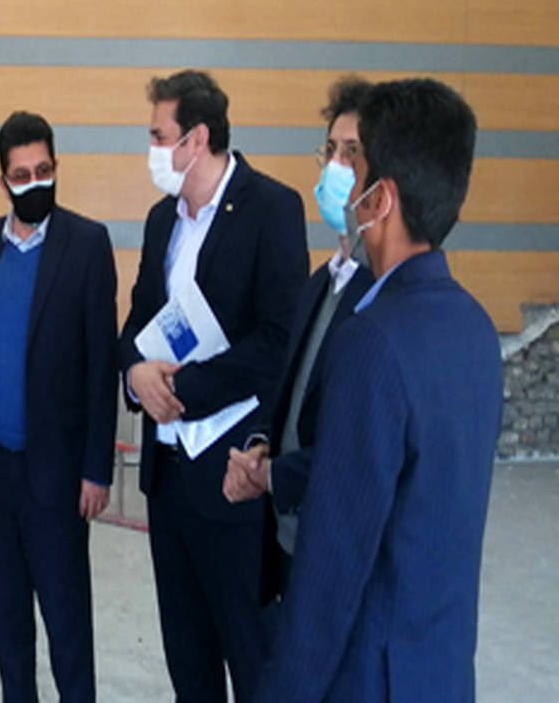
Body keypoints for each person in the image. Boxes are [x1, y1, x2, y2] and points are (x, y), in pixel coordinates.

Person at [253, 78, 502, 703]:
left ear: (380, 198)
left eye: (355, 166)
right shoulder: (473, 326)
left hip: (369, 676)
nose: (341, 182)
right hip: (440, 671)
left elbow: (334, 563)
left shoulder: (371, 340)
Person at [118, 70, 308, 703]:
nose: (151, 149)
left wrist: (185, 390)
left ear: (196, 139)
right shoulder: (160, 220)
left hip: (234, 477)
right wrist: (135, 374)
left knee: (252, 660)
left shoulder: (272, 209)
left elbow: (279, 339)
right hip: (168, 479)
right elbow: (137, 324)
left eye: (158, 135)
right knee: (189, 663)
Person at [0, 111, 118, 702]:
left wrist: (97, 469)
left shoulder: (87, 245)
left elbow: (102, 365)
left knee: (67, 626)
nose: (34, 182)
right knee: (8, 621)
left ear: (56, 167)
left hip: (59, 474)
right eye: (21, 175)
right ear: (3, 182)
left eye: (43, 170)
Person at [220, 77, 376, 604]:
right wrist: (262, 446)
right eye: (330, 150)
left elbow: (360, 446)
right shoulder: (317, 285)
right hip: (289, 540)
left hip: (340, 550)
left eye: (352, 152)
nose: (336, 166)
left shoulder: (384, 301)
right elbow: (293, 399)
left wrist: (273, 476)